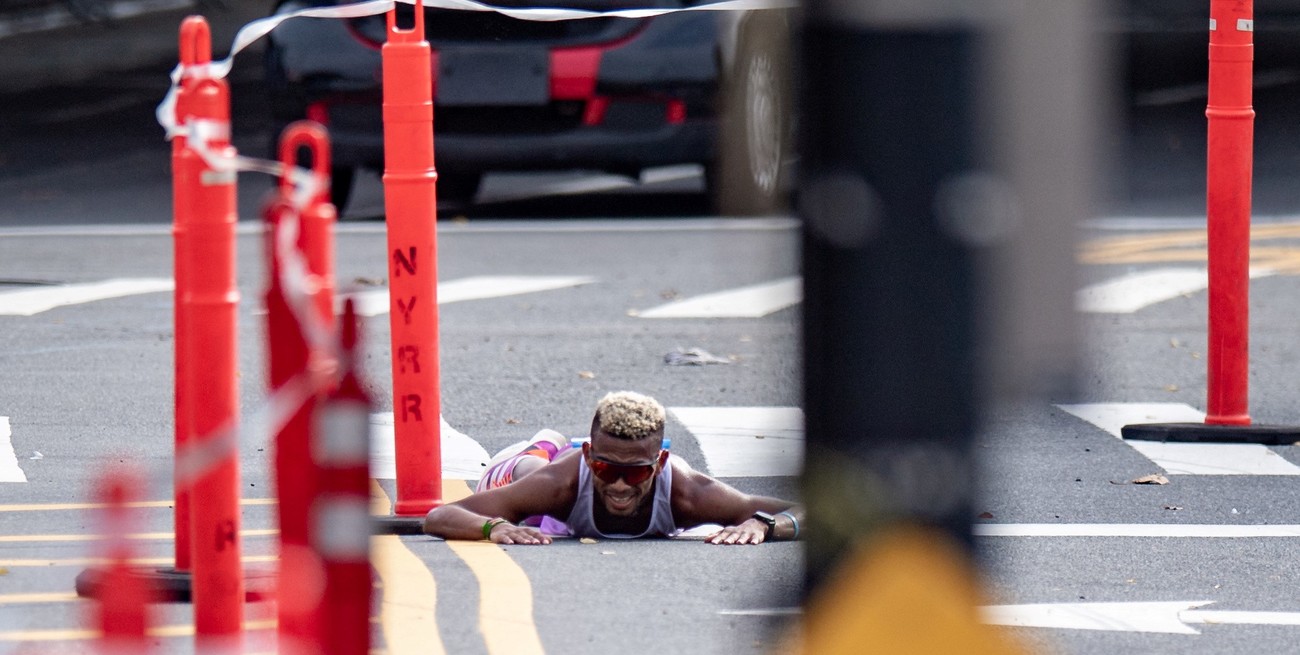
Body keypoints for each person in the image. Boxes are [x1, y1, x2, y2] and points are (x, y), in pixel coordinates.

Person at [423, 391, 803, 545]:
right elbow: (440, 516)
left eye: (636, 472)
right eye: (606, 469)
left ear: (661, 462)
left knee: (545, 522)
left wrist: (763, 522)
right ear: (589, 458)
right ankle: (545, 446)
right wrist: (493, 526)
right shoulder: (559, 484)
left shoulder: (689, 493)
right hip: (519, 471)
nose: (620, 485)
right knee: (532, 487)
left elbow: (809, 509)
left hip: (566, 501)